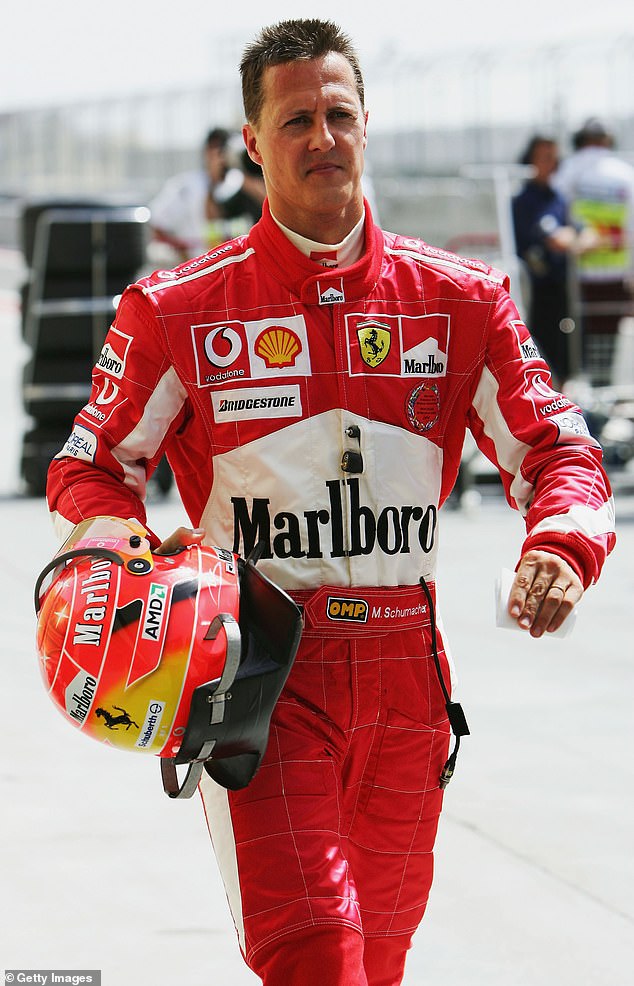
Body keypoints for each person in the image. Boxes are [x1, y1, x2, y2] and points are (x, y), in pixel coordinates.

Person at [44, 18, 615, 986]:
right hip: (258, 677)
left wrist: (559, 544)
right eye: (295, 118)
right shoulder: (173, 312)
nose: (322, 136)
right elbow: (87, 467)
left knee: (374, 967)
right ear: (253, 143)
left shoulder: (461, 300)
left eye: (339, 114)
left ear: (366, 126)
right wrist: (131, 566)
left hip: (409, 689)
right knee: (318, 961)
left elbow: (560, 447)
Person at [552, 117, 634, 382]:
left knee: (576, 337)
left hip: (575, 272)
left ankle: (580, 388)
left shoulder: (568, 170)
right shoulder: (624, 173)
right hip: (615, 270)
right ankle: (603, 384)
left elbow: (554, 208)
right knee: (607, 337)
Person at [512, 133, 597, 385]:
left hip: (563, 290)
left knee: (570, 352)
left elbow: (587, 235)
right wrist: (573, 240)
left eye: (554, 157)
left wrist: (575, 239)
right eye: (544, 157)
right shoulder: (524, 200)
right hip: (536, 294)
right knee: (540, 354)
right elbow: (556, 239)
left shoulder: (557, 198)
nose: (551, 163)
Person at [149, 126, 265, 261]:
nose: (220, 156)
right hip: (201, 265)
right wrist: (184, 256)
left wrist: (242, 169)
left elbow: (268, 205)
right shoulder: (186, 186)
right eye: (215, 149)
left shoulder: (241, 182)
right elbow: (156, 224)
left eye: (224, 150)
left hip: (240, 264)